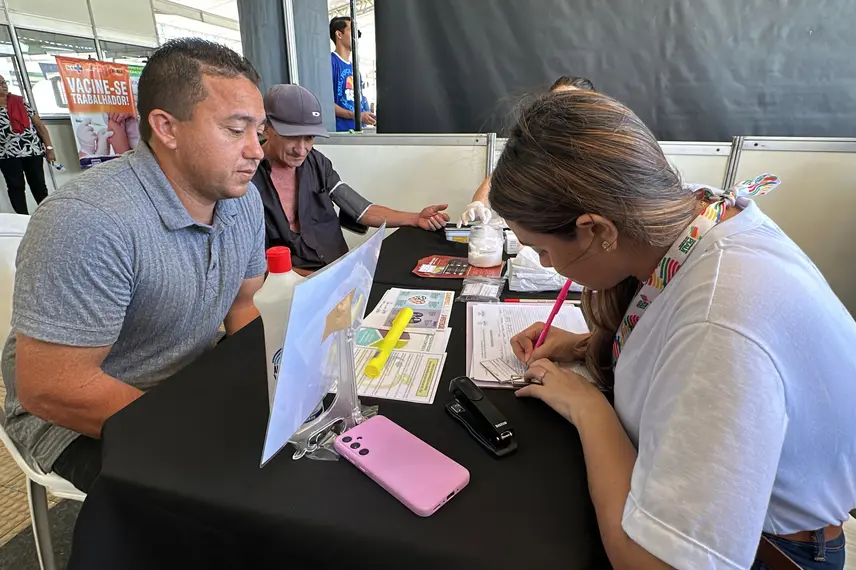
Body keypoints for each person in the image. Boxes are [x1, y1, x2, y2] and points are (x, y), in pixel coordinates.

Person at [490, 90, 856, 569]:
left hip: (776, 551)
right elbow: (671, 327)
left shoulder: (722, 318)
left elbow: (654, 564)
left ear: (597, 231)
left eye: (541, 249)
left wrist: (587, 407)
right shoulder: (695, 217)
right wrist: (584, 345)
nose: (548, 266)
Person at [1, 38, 268, 493]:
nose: (257, 150)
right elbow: (51, 387)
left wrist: (274, 381)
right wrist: (195, 427)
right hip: (73, 419)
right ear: (166, 127)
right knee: (228, 496)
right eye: (235, 130)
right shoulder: (89, 220)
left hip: (188, 380)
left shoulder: (241, 199)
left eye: (258, 131)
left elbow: (243, 306)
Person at [253, 84, 449, 274]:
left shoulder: (317, 162)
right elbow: (250, 262)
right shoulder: (247, 179)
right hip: (287, 287)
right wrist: (313, 280)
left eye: (310, 138)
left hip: (340, 273)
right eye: (291, 137)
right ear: (265, 128)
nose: (302, 149)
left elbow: (360, 209)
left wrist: (415, 218)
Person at [457, 75, 596, 227]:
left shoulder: (600, 147)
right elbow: (501, 175)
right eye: (556, 102)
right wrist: (479, 204)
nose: (562, 110)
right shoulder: (537, 138)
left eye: (571, 102)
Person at [0, 76, 55, 214]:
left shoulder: (20, 102)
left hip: (33, 151)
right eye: (0, 84)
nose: (4, 86)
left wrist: (49, 148)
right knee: (15, 187)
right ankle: (22, 219)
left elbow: (40, 127)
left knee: (39, 185)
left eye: (4, 82)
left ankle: (47, 215)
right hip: (7, 155)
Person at [330, 16, 376, 132]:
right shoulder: (330, 62)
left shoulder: (355, 68)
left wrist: (369, 116)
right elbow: (325, 103)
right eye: (353, 31)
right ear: (339, 35)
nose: (357, 36)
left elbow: (360, 98)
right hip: (341, 134)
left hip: (359, 132)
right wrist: (355, 115)